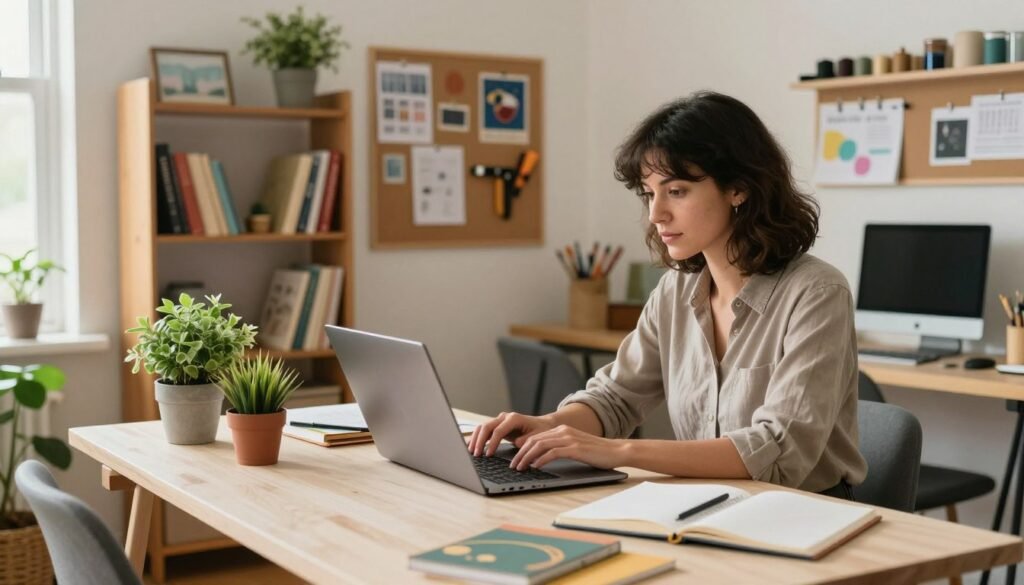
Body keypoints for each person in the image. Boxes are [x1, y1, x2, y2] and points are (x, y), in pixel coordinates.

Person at [468, 91, 866, 499]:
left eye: (676, 191)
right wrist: (550, 425)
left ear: (739, 189)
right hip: (707, 503)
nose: (656, 213)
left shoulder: (817, 293)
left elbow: (779, 449)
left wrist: (618, 451)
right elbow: (616, 397)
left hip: (804, 513)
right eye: (649, 192)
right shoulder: (676, 290)